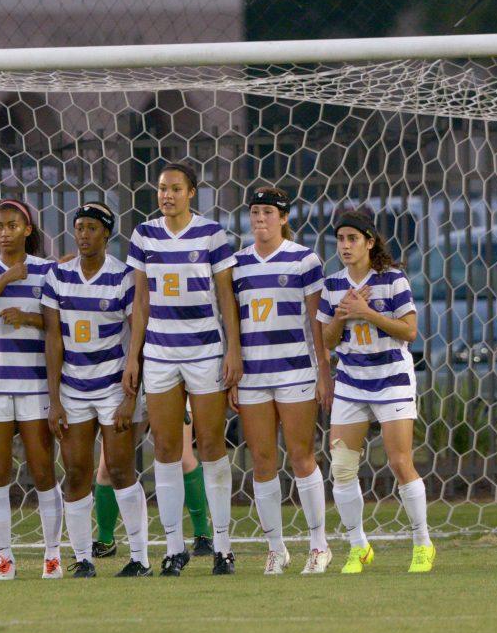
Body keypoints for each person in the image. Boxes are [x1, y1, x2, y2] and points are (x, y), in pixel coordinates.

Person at [124, 163, 242, 576]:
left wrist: (233, 351)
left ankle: (223, 547)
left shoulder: (212, 234)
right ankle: (174, 547)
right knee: (167, 450)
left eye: (175, 188)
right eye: (161, 189)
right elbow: (140, 303)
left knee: (210, 446)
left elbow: (226, 297)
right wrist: (133, 356)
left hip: (205, 352)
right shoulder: (144, 235)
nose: (167, 195)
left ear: (192, 192)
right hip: (159, 354)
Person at [316, 212, 433, 574]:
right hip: (352, 381)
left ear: (369, 242)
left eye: (353, 238)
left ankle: (422, 543)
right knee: (342, 467)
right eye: (341, 239)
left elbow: (409, 332)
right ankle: (358, 547)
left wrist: (366, 311)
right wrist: (342, 316)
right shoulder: (333, 284)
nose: (346, 246)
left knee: (399, 462)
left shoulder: (392, 280)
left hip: (392, 377)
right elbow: (326, 340)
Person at [230, 186, 333, 575]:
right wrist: (234, 374)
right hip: (254, 374)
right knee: (261, 461)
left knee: (302, 456)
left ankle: (319, 546)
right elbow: (232, 321)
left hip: (296, 372)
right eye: (255, 211)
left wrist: (324, 374)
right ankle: (275, 548)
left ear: (284, 218)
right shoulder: (237, 264)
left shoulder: (305, 260)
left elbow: (317, 323)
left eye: (267, 212)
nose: (260, 218)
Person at [0, 199, 63, 579]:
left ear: (28, 229)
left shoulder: (47, 271)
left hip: (35, 386)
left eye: (12, 226)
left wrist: (28, 318)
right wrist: (4, 280)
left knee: (42, 470)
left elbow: (57, 324)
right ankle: (4, 558)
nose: (4, 232)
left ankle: (52, 555)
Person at [43, 202, 149, 578]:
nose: (84, 235)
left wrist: (130, 397)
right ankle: (84, 559)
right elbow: (53, 341)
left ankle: (140, 558)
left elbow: (137, 337)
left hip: (112, 389)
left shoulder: (123, 278)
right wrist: (54, 400)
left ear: (107, 233)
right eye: (79, 228)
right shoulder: (58, 277)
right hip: (73, 391)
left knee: (121, 470)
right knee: (75, 473)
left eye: (91, 228)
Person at [93, 405, 212, 558]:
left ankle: (203, 535)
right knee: (109, 466)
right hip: (131, 394)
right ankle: (105, 541)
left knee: (183, 458)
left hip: (167, 385)